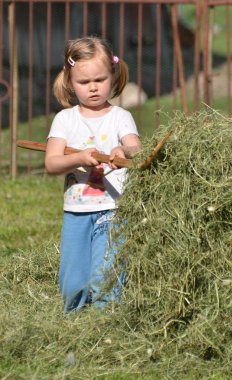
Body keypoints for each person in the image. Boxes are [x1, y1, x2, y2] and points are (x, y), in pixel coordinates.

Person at [45, 36, 141, 313]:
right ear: (70, 82)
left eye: (99, 80)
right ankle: (72, 320)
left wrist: (123, 149)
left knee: (106, 273)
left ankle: (105, 322)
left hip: (113, 210)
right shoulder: (65, 119)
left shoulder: (120, 116)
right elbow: (52, 163)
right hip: (76, 211)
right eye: (84, 83)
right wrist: (77, 158)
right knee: (72, 279)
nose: (93, 88)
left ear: (113, 75)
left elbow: (136, 146)